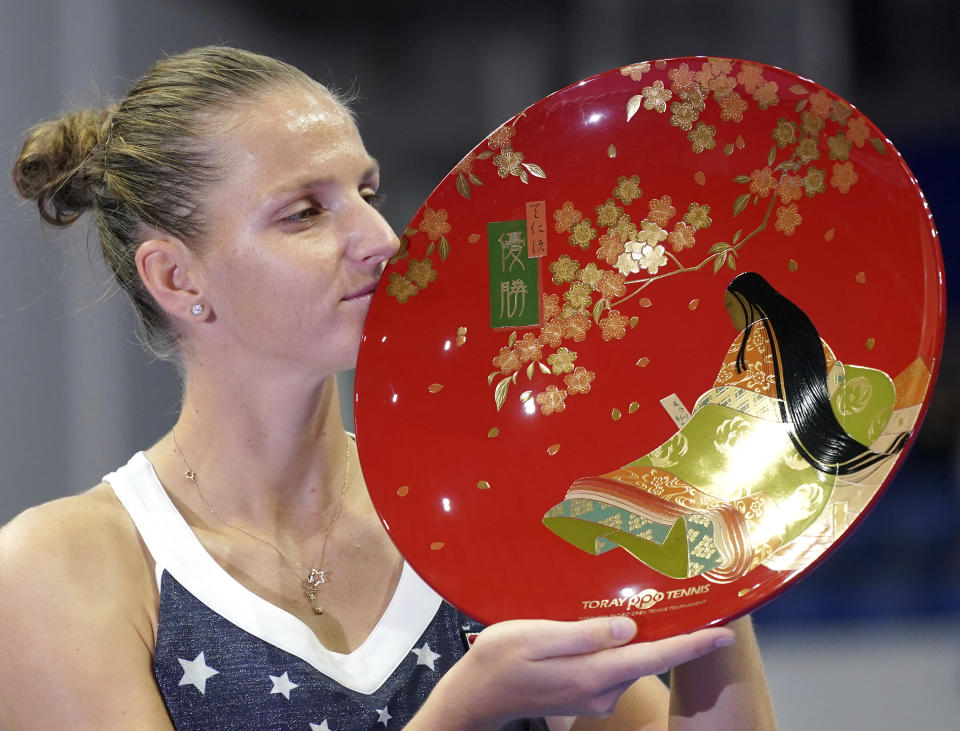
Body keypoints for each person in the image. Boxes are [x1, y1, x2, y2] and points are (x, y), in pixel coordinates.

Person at [0, 46, 777, 729]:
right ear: (176, 276)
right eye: (305, 213)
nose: (383, 241)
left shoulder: (484, 506)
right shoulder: (63, 565)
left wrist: (710, 568)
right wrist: (463, 711)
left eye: (366, 194)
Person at [543, 272, 911, 583]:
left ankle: (635, 526)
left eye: (731, 307)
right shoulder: (800, 342)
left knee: (683, 490)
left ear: (748, 301)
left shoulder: (763, 334)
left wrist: (708, 416)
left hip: (742, 437)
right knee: (729, 515)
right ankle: (669, 538)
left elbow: (738, 396)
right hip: (770, 451)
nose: (730, 316)